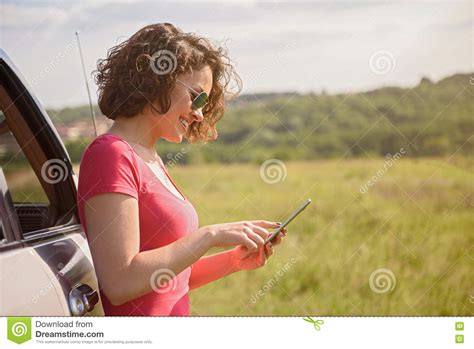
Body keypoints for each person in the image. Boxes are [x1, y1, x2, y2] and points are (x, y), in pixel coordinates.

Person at [77, 23, 286, 316]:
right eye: (197, 97)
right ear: (156, 79)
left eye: (205, 103)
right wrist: (210, 235)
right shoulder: (110, 154)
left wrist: (235, 260)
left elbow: (169, 280)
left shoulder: (150, 157)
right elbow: (120, 282)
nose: (199, 113)